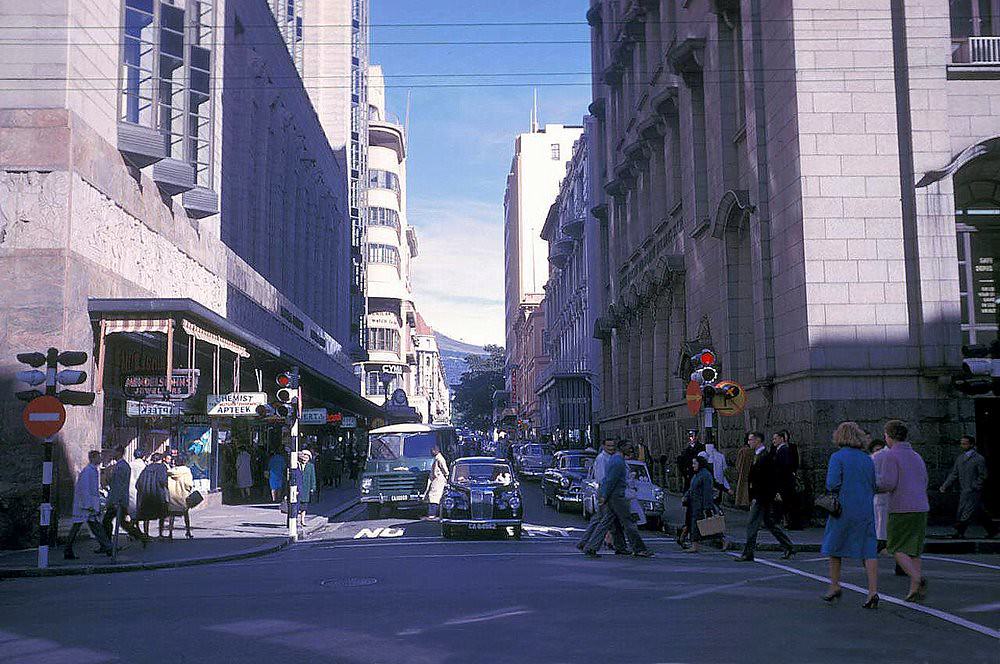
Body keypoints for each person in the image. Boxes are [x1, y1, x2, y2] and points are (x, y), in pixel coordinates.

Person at [821, 422, 880, 609]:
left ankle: (834, 584)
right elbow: (874, 483)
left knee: (835, 546)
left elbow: (832, 484)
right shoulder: (867, 458)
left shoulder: (837, 457)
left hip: (844, 508)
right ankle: (872, 591)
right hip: (865, 507)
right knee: (868, 549)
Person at [877, 419, 930, 603]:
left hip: (901, 506)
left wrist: (874, 484)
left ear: (889, 436)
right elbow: (924, 480)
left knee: (895, 547)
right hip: (921, 506)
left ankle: (916, 578)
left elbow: (888, 483)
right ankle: (915, 589)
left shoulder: (890, 456)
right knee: (914, 549)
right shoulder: (916, 455)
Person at [581, 442, 652, 558]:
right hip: (617, 496)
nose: (631, 451)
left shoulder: (615, 459)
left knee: (608, 522)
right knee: (628, 523)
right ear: (622, 448)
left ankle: (603, 547)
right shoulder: (618, 462)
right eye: (629, 448)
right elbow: (609, 481)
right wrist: (604, 496)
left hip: (613, 495)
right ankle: (639, 548)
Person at [736, 432, 795, 561]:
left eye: (751, 440)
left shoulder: (766, 457)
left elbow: (769, 479)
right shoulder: (757, 455)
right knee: (771, 524)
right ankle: (788, 546)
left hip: (762, 497)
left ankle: (748, 552)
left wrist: (762, 495)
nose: (749, 442)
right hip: (761, 496)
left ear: (758, 441)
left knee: (752, 524)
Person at [939, 435, 997, 539]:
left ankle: (960, 531)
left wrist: (976, 485)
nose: (962, 446)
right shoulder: (960, 458)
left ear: (971, 444)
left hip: (973, 490)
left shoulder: (979, 459)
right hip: (964, 489)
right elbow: (954, 474)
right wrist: (945, 485)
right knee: (977, 510)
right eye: (962, 443)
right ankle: (992, 529)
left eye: (965, 443)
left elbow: (983, 475)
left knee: (966, 511)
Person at [577, 439, 628, 554]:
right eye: (608, 446)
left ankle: (585, 542)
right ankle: (590, 545)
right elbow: (602, 478)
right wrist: (605, 495)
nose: (611, 448)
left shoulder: (613, 457)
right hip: (606, 491)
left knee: (605, 519)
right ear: (603, 446)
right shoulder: (601, 459)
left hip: (609, 490)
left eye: (613, 445)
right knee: (604, 520)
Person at [64, 450, 114, 559]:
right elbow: (85, 489)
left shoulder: (93, 471)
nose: (100, 459)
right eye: (98, 457)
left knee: (96, 527)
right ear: (93, 458)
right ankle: (67, 550)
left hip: (89, 505)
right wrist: (89, 505)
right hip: (84, 505)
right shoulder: (88, 471)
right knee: (78, 527)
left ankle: (108, 547)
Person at [102, 446, 146, 549]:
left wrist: (115, 501)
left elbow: (118, 485)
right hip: (120, 499)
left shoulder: (122, 466)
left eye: (114, 451)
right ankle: (140, 536)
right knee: (123, 523)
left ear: (119, 453)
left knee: (107, 521)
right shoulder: (120, 465)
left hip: (118, 500)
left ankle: (107, 545)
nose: (112, 453)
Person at [683, 456, 716, 553]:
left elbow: (707, 492)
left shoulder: (705, 475)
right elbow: (691, 488)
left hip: (701, 504)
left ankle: (695, 546)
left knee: (702, 525)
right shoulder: (696, 475)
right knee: (698, 525)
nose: (693, 466)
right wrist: (686, 496)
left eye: (694, 463)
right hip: (694, 504)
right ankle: (695, 545)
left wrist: (707, 507)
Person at [136, 453, 170, 539]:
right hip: (158, 494)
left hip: (146, 494)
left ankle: (146, 533)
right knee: (161, 514)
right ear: (161, 459)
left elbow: (139, 483)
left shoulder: (147, 468)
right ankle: (160, 534)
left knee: (146, 515)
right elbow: (163, 481)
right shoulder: (162, 467)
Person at [772, 430, 800, 529]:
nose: (773, 441)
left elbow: (784, 467)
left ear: (781, 439)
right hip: (784, 481)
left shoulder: (783, 450)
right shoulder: (779, 449)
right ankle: (786, 521)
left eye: (775, 438)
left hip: (784, 481)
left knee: (787, 502)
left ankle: (790, 522)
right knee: (785, 503)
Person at [162, 458, 195, 539]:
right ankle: (188, 531)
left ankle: (170, 533)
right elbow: (189, 484)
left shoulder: (170, 472)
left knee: (172, 515)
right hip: (183, 495)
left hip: (172, 495)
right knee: (186, 514)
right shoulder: (186, 471)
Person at [869, 440, 890, 551]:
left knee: (880, 526)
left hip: (882, 497)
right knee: (880, 525)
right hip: (882, 497)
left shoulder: (875, 458)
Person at [422, 446, 449, 520]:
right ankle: (432, 514)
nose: (431, 452)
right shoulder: (437, 458)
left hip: (438, 480)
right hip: (436, 479)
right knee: (432, 496)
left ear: (435, 451)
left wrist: (447, 476)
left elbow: (445, 469)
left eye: (432, 451)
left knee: (434, 496)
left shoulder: (440, 458)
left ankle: (432, 514)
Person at [297, 450, 317, 528]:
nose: (305, 458)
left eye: (307, 457)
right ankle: (295, 520)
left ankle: (302, 520)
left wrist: (313, 487)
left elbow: (313, 477)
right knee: (297, 504)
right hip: (298, 488)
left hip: (306, 487)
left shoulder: (310, 466)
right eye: (304, 456)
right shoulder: (297, 464)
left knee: (304, 505)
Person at [733, 438, 753, 509]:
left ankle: (742, 502)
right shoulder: (752, 451)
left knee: (742, 487)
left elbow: (738, 464)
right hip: (750, 471)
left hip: (743, 472)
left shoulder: (742, 450)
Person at [128, 449, 147, 522]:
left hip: (130, 488)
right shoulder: (144, 466)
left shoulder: (129, 464)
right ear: (143, 456)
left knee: (131, 507)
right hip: (140, 488)